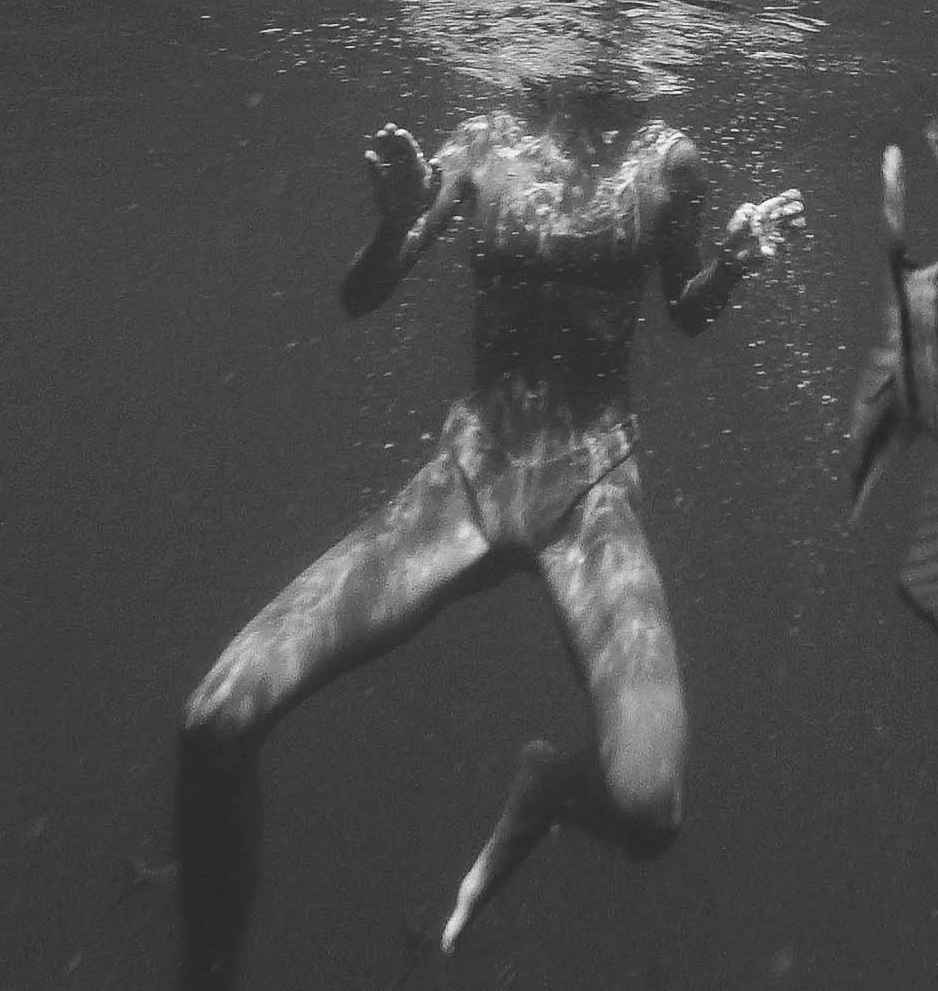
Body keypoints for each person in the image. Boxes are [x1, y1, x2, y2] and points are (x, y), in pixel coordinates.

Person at [175, 92, 803, 986]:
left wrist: (732, 266)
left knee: (649, 806)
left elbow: (688, 312)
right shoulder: (483, 141)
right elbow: (363, 294)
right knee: (213, 723)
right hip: (464, 480)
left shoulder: (672, 161)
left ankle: (550, 789)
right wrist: (395, 225)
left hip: (592, 493)